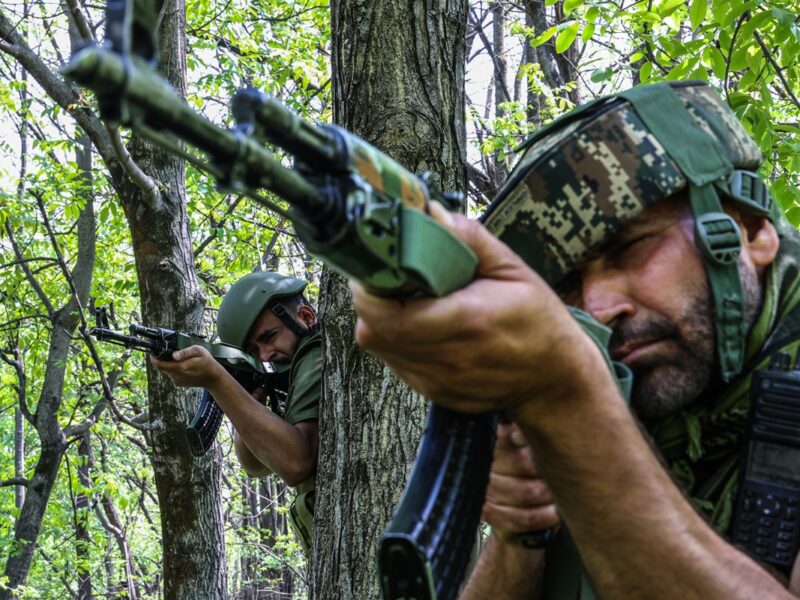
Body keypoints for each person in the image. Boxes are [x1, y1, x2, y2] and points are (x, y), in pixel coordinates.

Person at [351, 80, 800, 597]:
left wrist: (571, 406)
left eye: (630, 247)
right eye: (565, 285)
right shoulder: (632, 394)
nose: (599, 308)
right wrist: (524, 529)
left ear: (750, 231)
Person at [152, 271, 321, 554]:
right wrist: (246, 395)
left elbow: (295, 464)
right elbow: (255, 465)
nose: (265, 356)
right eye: (252, 351)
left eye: (269, 337)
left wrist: (218, 381)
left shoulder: (313, 353)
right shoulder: (288, 374)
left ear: (305, 316)